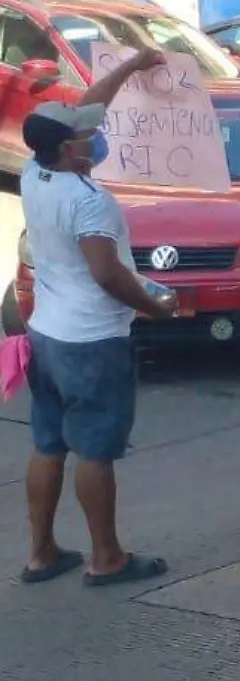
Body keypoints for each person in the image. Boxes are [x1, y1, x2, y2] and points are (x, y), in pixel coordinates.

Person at [17, 53, 178, 588]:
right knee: (94, 449)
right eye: (86, 138)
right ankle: (106, 557)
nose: (95, 139)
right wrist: (156, 306)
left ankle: (41, 553)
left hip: (46, 331)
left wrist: (132, 66)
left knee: (47, 444)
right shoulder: (91, 202)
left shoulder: (35, 173)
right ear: (70, 149)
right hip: (91, 339)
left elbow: (87, 109)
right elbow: (107, 273)